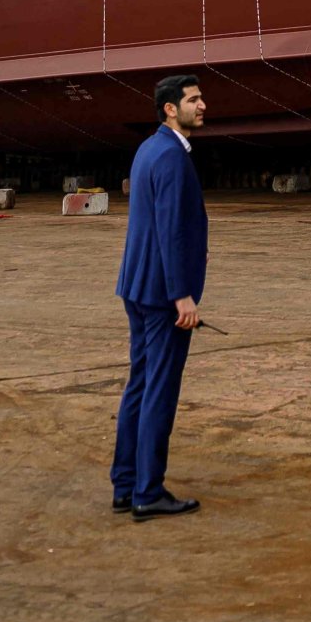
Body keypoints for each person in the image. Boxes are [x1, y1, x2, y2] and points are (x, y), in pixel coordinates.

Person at [112, 72, 208, 520]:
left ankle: (126, 484)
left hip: (137, 286)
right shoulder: (171, 158)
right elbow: (170, 231)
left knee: (139, 384)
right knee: (159, 391)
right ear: (171, 109)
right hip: (162, 295)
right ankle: (148, 492)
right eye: (193, 100)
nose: (202, 105)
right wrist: (181, 296)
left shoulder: (148, 149)